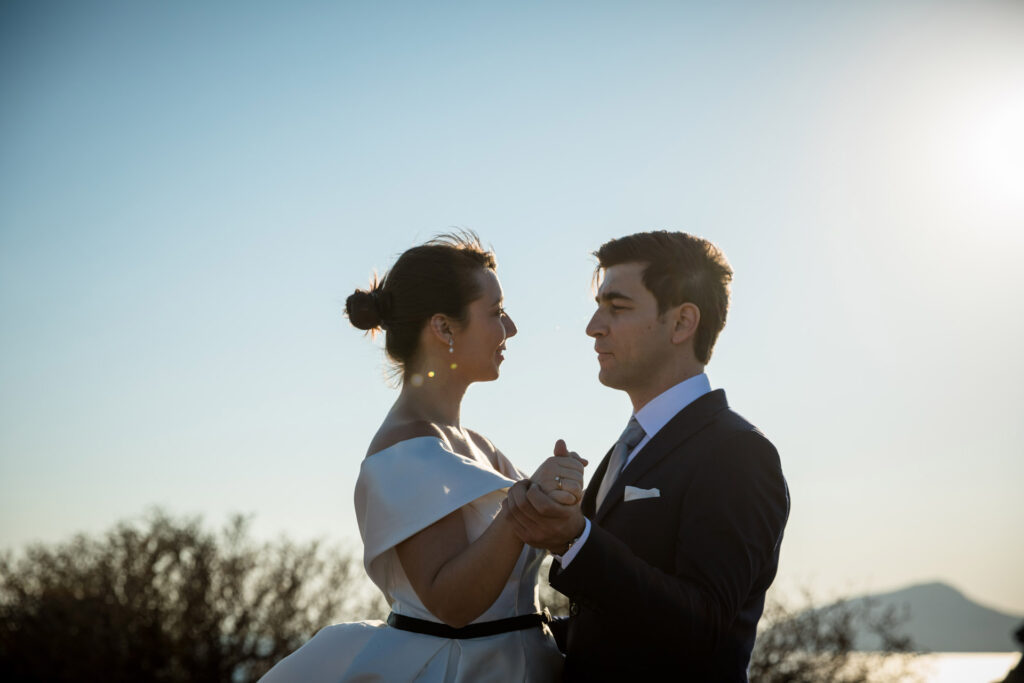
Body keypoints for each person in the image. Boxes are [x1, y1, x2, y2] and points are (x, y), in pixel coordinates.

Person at [260, 233, 582, 682]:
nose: (510, 328)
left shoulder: (480, 445)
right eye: (496, 312)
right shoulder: (405, 452)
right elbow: (451, 602)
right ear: (444, 328)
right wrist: (521, 511)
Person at [506, 231, 790, 682]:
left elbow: (702, 625)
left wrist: (574, 540)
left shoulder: (738, 453)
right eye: (598, 307)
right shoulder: (628, 448)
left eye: (617, 308)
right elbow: (610, 630)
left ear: (682, 323)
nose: (593, 326)